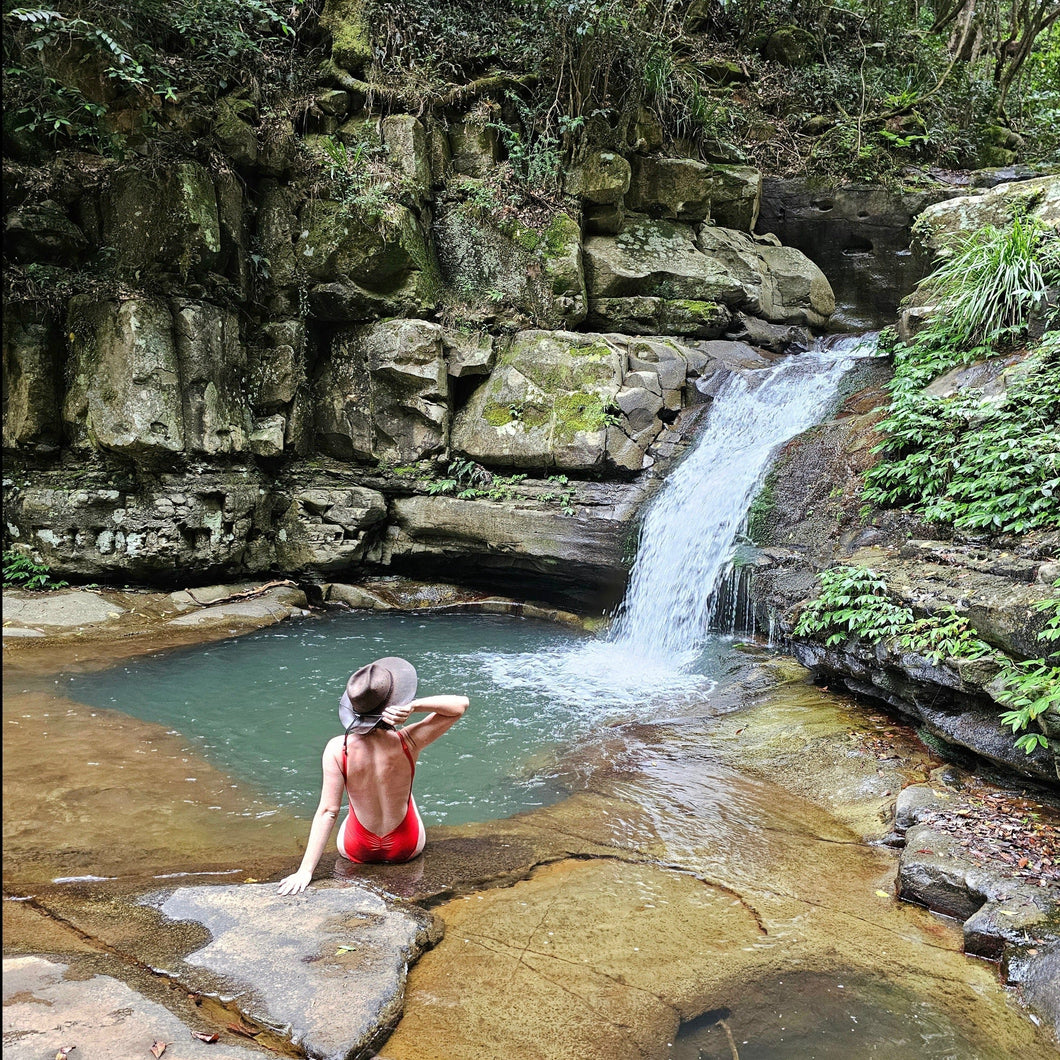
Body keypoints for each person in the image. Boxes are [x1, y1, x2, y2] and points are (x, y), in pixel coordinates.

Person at [277, 656, 468, 894]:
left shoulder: (338, 748)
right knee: (405, 790)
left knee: (350, 802)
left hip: (357, 848)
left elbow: (328, 811)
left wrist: (305, 871)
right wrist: (414, 706)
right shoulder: (408, 741)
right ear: (395, 703)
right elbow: (461, 705)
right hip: (405, 848)